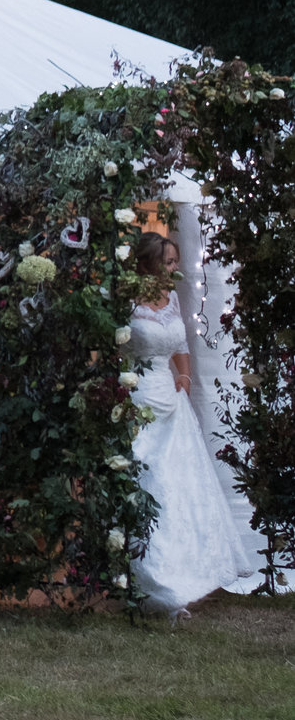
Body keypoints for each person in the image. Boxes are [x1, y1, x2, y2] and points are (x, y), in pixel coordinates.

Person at [123, 232, 263, 612]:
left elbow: (180, 346)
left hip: (173, 403)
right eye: (168, 262)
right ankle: (153, 578)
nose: (175, 270)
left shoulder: (170, 301)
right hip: (139, 400)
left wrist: (183, 379)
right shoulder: (126, 302)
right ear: (147, 264)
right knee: (149, 483)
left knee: (181, 486)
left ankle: (195, 569)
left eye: (175, 262)